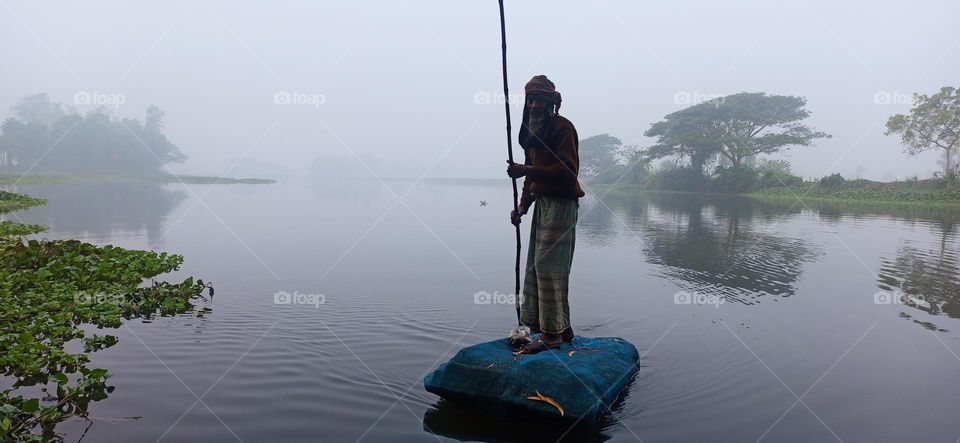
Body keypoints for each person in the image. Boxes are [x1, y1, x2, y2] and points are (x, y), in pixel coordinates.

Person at [507, 75, 585, 354]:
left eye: (540, 99)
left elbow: (567, 172)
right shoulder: (531, 133)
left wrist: (526, 171)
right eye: (530, 100)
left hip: (562, 204)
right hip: (543, 204)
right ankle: (558, 328)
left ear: (552, 103)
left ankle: (552, 336)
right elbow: (531, 176)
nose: (534, 105)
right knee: (534, 266)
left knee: (549, 266)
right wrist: (523, 206)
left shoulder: (563, 128)